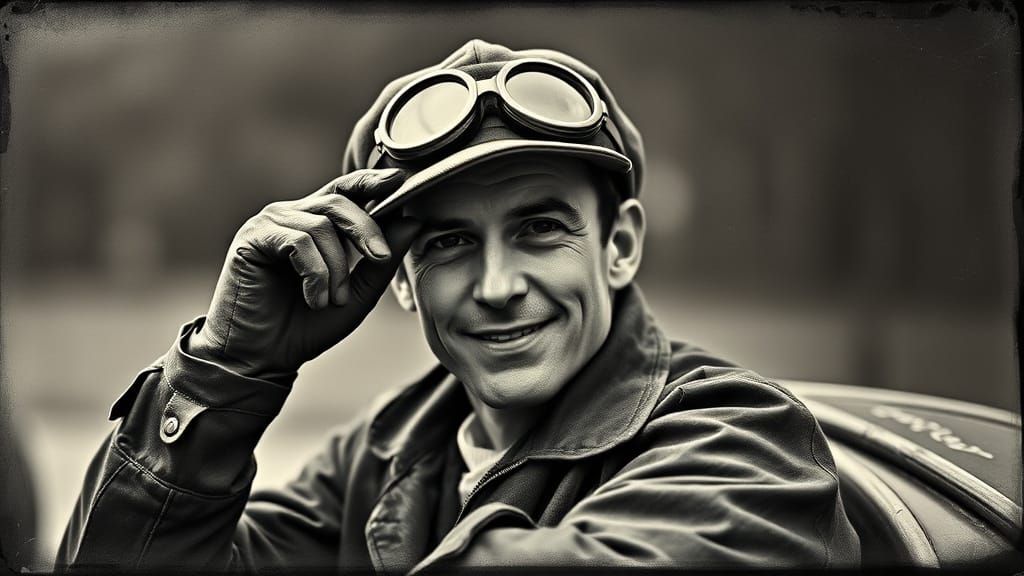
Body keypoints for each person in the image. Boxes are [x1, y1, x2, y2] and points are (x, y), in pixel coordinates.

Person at [57, 39, 860, 573]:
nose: (497, 285)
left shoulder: (743, 439)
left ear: (619, 245)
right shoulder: (379, 459)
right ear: (400, 279)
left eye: (540, 228)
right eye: (448, 242)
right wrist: (228, 364)